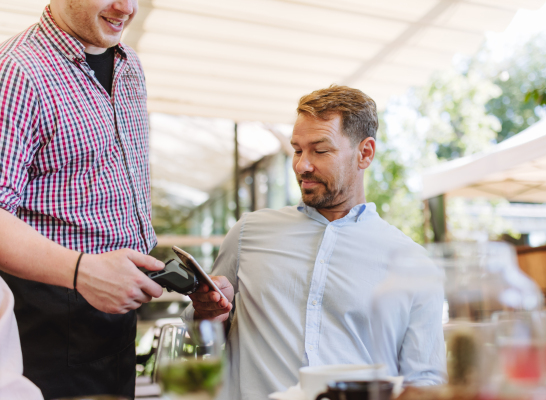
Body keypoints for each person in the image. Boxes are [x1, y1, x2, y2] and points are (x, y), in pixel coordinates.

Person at [185, 85, 447, 400]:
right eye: (297, 150)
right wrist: (208, 312)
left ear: (365, 153)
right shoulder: (247, 233)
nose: (302, 166)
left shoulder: (412, 263)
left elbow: (426, 380)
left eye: (320, 151)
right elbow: (203, 335)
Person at [0, 0, 165, 398]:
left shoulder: (130, 66)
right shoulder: (17, 72)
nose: (126, 7)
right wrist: (81, 271)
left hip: (116, 318)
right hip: (45, 320)